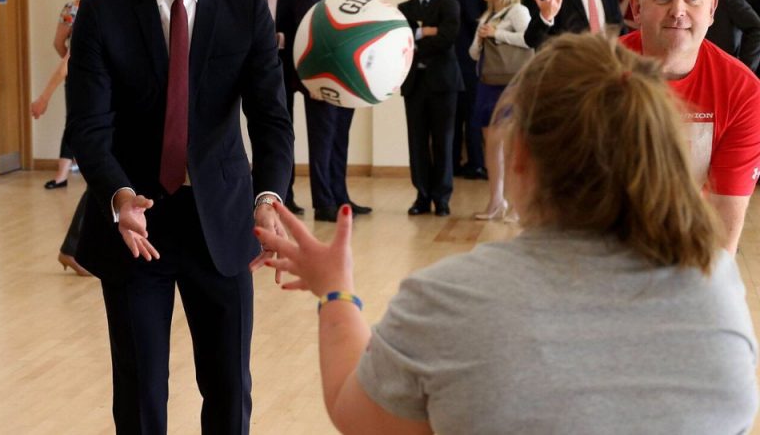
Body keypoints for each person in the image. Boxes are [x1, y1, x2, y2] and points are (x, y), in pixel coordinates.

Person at [256, 32, 759, 433]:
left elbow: (359, 416)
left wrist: (335, 292)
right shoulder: (717, 283)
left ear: (519, 156)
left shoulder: (449, 298)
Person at [64, 0, 294, 432]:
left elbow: (271, 119)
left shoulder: (245, 6)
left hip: (223, 220)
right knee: (141, 394)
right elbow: (88, 128)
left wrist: (268, 199)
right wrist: (119, 196)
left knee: (229, 387)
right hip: (135, 226)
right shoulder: (101, 13)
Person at [623, 0, 760, 256]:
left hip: (691, 249)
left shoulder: (742, 91)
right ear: (637, 9)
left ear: (711, 11)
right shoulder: (597, 74)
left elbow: (725, 220)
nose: (678, 10)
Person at [32, 0, 142, 277]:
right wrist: (43, 98)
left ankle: (77, 248)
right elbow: (66, 61)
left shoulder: (130, 21)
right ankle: (74, 248)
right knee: (104, 184)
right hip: (107, 121)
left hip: (123, 121)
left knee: (109, 186)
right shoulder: (100, 19)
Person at [296, 0, 372, 222]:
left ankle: (341, 198)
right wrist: (310, 83)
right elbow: (304, 40)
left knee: (340, 141)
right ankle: (323, 203)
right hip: (321, 84)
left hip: (345, 84)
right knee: (322, 144)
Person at [397, 0, 462, 216]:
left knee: (444, 143)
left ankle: (442, 198)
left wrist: (419, 34)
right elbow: (402, 41)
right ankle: (422, 196)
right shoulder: (404, 8)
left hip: (444, 84)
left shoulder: (450, 5)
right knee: (417, 143)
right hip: (415, 84)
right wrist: (428, 31)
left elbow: (447, 38)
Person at [468, 0, 530, 221]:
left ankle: (516, 204)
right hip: (487, 83)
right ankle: (495, 202)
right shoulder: (486, 16)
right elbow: (473, 53)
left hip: (512, 84)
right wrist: (483, 39)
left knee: (512, 145)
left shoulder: (518, 11)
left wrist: (498, 34)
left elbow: (529, 39)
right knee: (492, 144)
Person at [44, 0, 108, 190]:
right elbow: (58, 42)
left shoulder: (109, 6)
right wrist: (77, 64)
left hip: (105, 76)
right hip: (77, 73)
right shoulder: (73, 8)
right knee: (74, 118)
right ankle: (62, 173)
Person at [253, 0, 304, 215]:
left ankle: (286, 194)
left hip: (284, 78)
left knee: (283, 135)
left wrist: (280, 39)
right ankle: (258, 194)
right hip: (251, 79)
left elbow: (300, 37)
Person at [439, 0, 487, 180]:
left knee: (453, 118)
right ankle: (476, 163)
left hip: (445, 64)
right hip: (468, 64)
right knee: (472, 117)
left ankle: (452, 163)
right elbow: (476, 26)